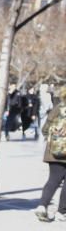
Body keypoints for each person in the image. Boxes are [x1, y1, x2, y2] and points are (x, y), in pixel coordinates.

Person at [35, 86, 66, 222]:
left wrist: (55, 140)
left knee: (53, 179)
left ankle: (42, 206)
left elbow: (45, 129)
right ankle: (61, 212)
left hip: (54, 152)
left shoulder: (57, 108)